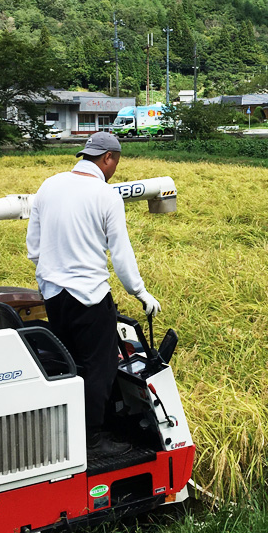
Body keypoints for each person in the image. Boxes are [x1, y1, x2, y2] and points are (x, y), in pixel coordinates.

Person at [26, 131, 160, 458]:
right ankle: (93, 440)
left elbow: (34, 248)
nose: (114, 169)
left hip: (54, 295)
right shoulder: (105, 195)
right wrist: (141, 293)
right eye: (116, 162)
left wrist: (49, 280)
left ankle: (70, 433)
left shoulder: (49, 186)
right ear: (108, 158)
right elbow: (121, 255)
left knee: (68, 364)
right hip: (89, 296)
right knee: (99, 367)